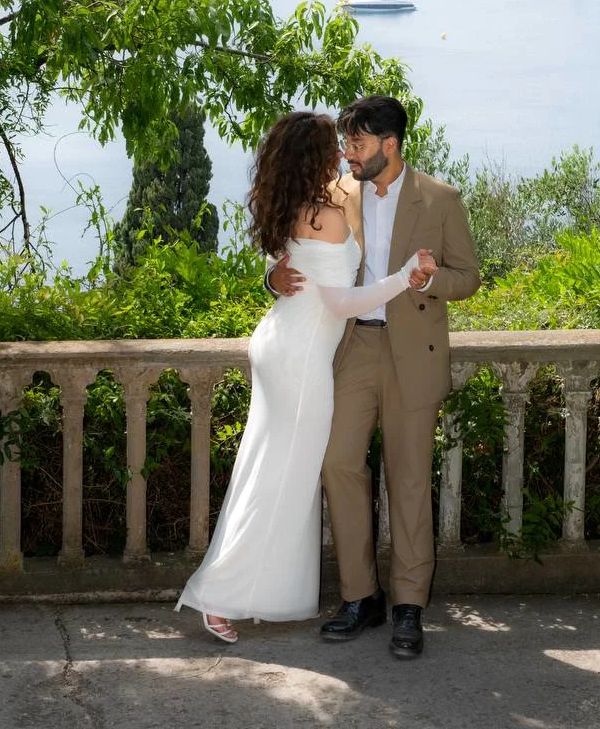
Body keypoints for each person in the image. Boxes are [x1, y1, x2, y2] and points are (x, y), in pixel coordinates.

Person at [174, 110, 435, 643]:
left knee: (268, 469)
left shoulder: (292, 203)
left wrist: (274, 274)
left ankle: (247, 592)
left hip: (282, 342)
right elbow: (340, 301)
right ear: (313, 159)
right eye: (332, 148)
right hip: (301, 357)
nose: (343, 154)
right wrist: (404, 278)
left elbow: (287, 262)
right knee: (278, 477)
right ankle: (219, 595)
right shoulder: (326, 213)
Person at [268, 96, 480, 659]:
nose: (347, 155)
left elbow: (471, 276)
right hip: (354, 346)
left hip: (414, 351)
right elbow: (300, 248)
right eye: (346, 144)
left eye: (357, 144)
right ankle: (361, 596)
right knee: (338, 461)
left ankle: (409, 607)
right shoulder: (338, 193)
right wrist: (274, 276)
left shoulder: (440, 198)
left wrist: (431, 281)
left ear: (390, 144)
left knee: (409, 477)